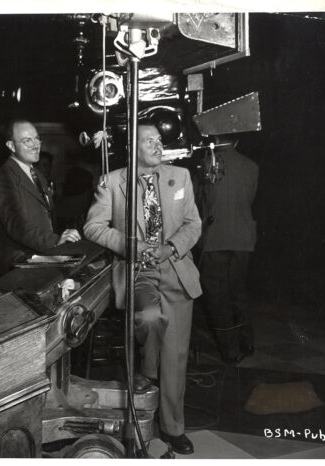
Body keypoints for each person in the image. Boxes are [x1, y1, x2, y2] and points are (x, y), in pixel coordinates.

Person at [84, 123, 202, 455]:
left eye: (159, 141)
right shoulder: (113, 181)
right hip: (138, 271)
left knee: (176, 356)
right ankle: (147, 375)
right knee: (150, 320)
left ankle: (173, 427)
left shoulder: (179, 177)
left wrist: (172, 247)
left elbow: (194, 224)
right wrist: (130, 246)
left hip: (176, 270)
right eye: (149, 141)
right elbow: (92, 226)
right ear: (133, 147)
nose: (157, 145)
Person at [196, 135, 259, 364]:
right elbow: (249, 200)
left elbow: (199, 202)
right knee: (238, 292)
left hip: (215, 238)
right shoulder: (251, 166)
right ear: (237, 141)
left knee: (217, 297)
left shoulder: (206, 165)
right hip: (243, 238)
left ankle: (230, 350)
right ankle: (247, 341)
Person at [0, 119, 80, 273]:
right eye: (27, 140)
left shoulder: (37, 174)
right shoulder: (2, 178)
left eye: (37, 138)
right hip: (20, 265)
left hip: (44, 258)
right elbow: (16, 225)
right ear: (11, 146)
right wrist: (56, 240)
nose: (35, 144)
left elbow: (51, 212)